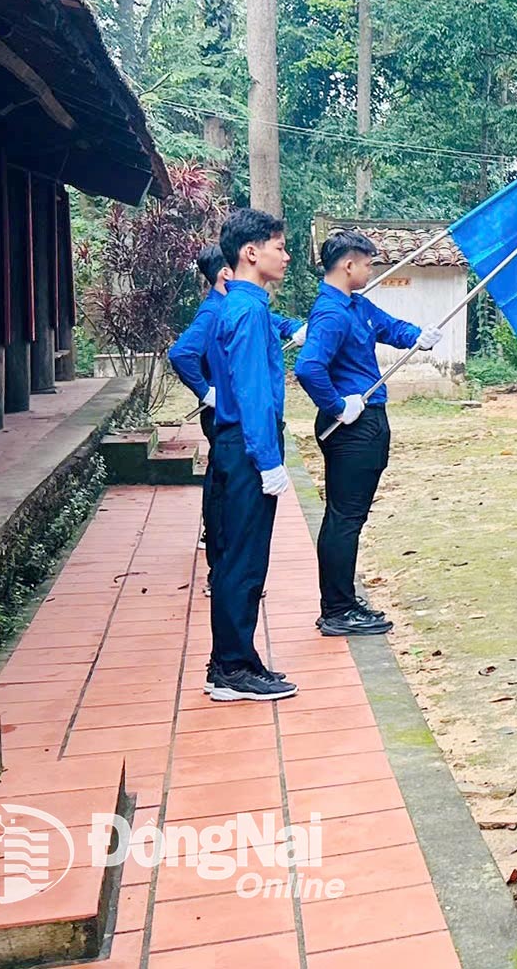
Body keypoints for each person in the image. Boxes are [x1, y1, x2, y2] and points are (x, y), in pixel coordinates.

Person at [293, 229, 440, 637]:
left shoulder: (356, 305)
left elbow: (388, 327)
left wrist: (419, 337)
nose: (371, 269)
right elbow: (308, 368)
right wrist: (338, 405)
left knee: (348, 517)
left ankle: (341, 599)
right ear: (348, 265)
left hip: (367, 423)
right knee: (345, 518)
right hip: (351, 427)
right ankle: (337, 609)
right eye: (368, 263)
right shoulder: (331, 313)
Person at [204, 208, 298, 701]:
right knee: (242, 559)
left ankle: (232, 658)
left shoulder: (239, 305)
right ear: (251, 252)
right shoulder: (248, 311)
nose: (286, 256)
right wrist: (267, 460)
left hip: (236, 444)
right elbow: (253, 391)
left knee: (234, 555)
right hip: (246, 446)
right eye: (279, 247)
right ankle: (232, 668)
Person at [167, 245, 302, 561]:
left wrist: (295, 328)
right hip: (226, 413)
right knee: (220, 483)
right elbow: (181, 353)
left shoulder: (236, 305)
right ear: (226, 273)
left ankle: (220, 548)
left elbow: (270, 320)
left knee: (223, 481)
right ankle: (215, 544)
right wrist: (205, 391)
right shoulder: (214, 312)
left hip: (231, 412)